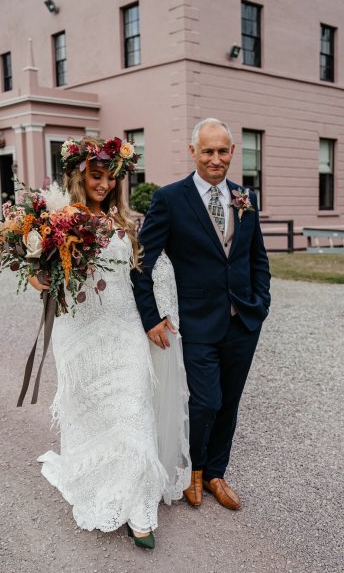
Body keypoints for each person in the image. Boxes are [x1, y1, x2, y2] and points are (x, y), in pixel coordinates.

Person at [28, 137, 168, 549]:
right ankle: (98, 481)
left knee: (132, 405)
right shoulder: (58, 220)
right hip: (80, 330)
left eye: (110, 177)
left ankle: (139, 508)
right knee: (91, 410)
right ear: (79, 175)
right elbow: (39, 278)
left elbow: (143, 273)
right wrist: (44, 276)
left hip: (123, 326)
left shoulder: (125, 221)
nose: (104, 184)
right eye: (96, 176)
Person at [132, 118, 271, 509]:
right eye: (207, 151)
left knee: (230, 401)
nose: (215, 159)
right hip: (194, 322)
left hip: (243, 321)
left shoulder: (246, 197)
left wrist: (261, 304)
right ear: (192, 152)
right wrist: (151, 318)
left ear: (231, 153)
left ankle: (215, 474)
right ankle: (192, 471)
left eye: (222, 151)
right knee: (205, 401)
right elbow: (142, 261)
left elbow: (256, 257)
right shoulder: (170, 199)